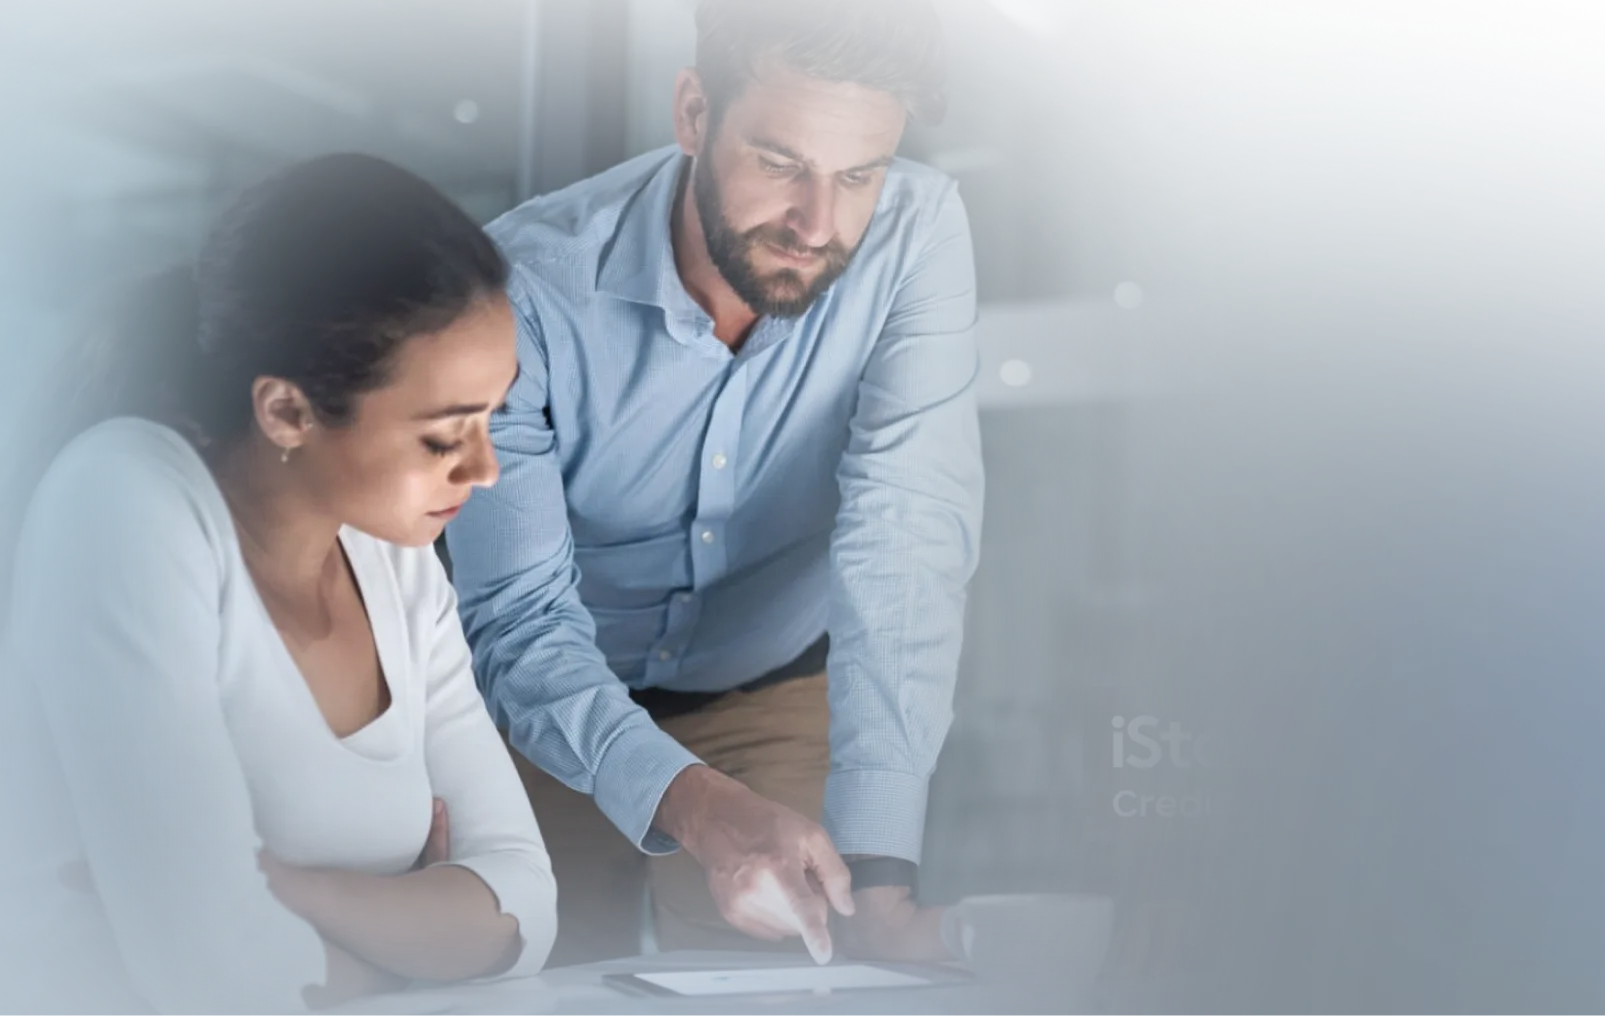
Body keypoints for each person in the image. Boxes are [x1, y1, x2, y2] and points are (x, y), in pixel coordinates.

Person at [446, 0, 978, 966]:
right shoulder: (522, 283)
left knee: (789, 982)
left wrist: (880, 865)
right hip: (542, 714)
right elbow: (519, 616)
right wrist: (701, 808)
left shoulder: (917, 233)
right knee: (530, 982)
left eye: (858, 174)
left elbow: (907, 538)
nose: (818, 225)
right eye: (781, 164)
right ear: (694, 112)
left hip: (772, 691)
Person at [0, 153, 556, 1016]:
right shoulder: (123, 502)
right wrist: (419, 943)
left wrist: (291, 892)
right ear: (287, 412)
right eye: (445, 438)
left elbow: (527, 910)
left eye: (496, 417)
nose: (484, 471)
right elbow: (216, 979)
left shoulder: (394, 555)